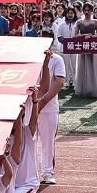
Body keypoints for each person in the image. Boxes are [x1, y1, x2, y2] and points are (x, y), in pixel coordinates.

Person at [34, 48, 65, 185]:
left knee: (48, 142)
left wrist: (43, 102)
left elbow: (59, 82)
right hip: (28, 107)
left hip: (48, 108)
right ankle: (30, 173)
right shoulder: (28, 57)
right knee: (28, 142)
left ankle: (47, 172)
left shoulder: (57, 59)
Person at [73, 3, 97, 99]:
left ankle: (95, 90)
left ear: (91, 11)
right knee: (82, 68)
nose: (86, 12)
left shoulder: (95, 21)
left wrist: (91, 36)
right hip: (82, 48)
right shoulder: (79, 22)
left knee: (94, 68)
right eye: (85, 10)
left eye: (88, 10)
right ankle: (83, 89)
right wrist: (84, 35)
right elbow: (74, 36)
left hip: (93, 48)